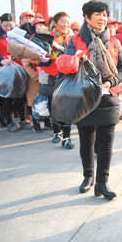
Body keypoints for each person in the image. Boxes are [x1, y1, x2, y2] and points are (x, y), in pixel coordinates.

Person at [59, 0, 122, 200]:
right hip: (84, 97)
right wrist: (76, 60)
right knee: (86, 140)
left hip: (108, 95)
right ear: (87, 18)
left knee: (106, 143)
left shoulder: (114, 41)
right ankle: (88, 175)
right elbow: (64, 66)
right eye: (98, 14)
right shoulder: (75, 41)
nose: (102, 18)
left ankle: (102, 183)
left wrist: (111, 81)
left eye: (104, 14)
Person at [0, 13, 33, 132]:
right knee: (7, 95)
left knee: (21, 94)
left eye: (10, 25)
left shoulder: (18, 32)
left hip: (19, 68)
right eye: (5, 25)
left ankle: (23, 119)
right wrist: (0, 60)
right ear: (0, 24)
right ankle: (8, 120)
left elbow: (27, 47)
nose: (7, 28)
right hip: (4, 70)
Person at [39, 11, 73, 147]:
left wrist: (61, 48)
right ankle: (56, 131)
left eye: (67, 22)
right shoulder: (49, 37)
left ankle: (67, 137)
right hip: (51, 75)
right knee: (52, 105)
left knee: (66, 106)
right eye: (62, 22)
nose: (65, 25)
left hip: (66, 76)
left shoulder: (72, 38)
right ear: (55, 23)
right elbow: (41, 57)